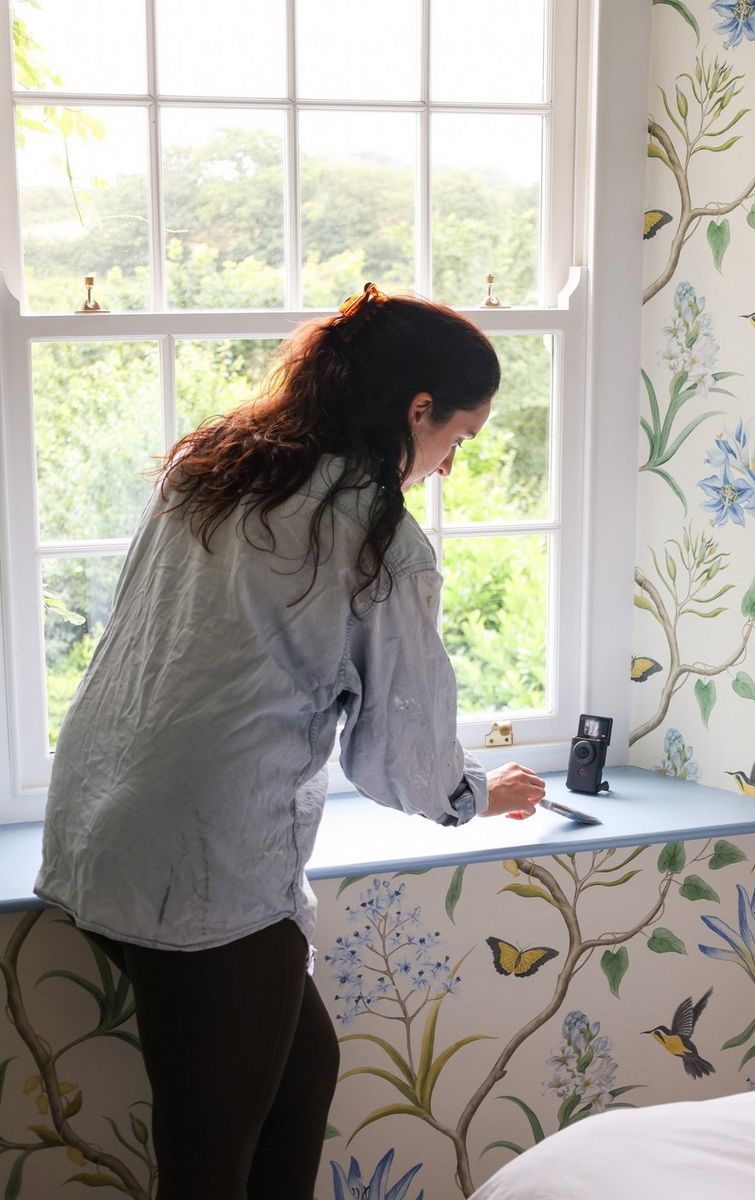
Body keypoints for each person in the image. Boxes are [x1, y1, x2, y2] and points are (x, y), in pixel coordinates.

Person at [34, 283, 546, 1199]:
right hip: (207, 862)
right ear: (416, 408)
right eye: (456, 441)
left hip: (101, 821)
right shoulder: (376, 536)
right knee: (208, 1159)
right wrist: (473, 794)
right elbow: (399, 754)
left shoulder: (213, 467)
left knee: (301, 1076)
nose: (447, 467)